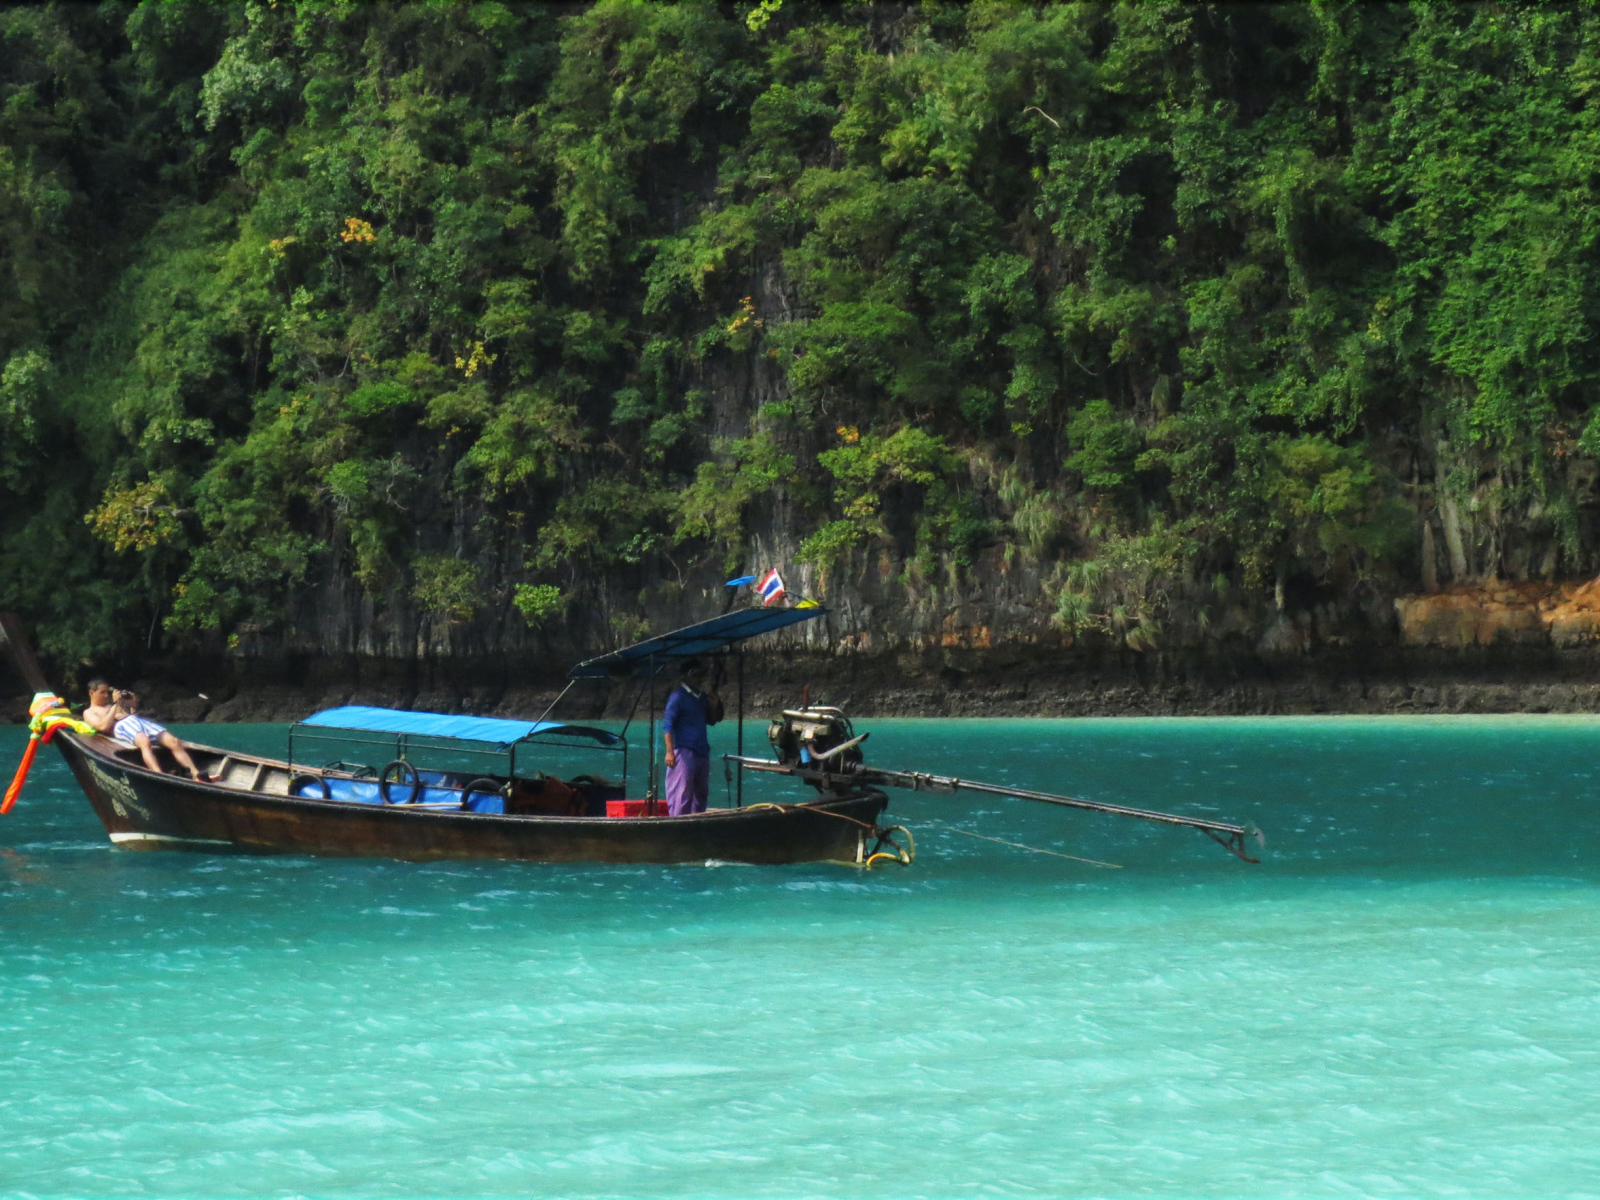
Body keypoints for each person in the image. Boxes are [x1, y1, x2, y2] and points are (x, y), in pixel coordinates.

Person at [110, 690, 213, 782]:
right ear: (93, 693)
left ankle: (196, 774)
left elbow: (135, 711)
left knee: (174, 741)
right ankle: (159, 775)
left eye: (106, 692)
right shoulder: (102, 709)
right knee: (145, 741)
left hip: (138, 721)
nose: (106, 695)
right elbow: (102, 725)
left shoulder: (122, 705)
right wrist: (114, 703)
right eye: (103, 692)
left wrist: (131, 701)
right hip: (123, 724)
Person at [662, 659, 720, 816]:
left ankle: (697, 821)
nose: (699, 679)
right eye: (696, 675)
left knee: (701, 793)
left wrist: (713, 706)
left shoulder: (700, 697)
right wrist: (669, 752)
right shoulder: (678, 696)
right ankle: (679, 823)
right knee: (682, 793)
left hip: (701, 750)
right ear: (686, 676)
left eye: (701, 675)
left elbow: (711, 720)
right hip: (683, 750)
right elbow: (668, 725)